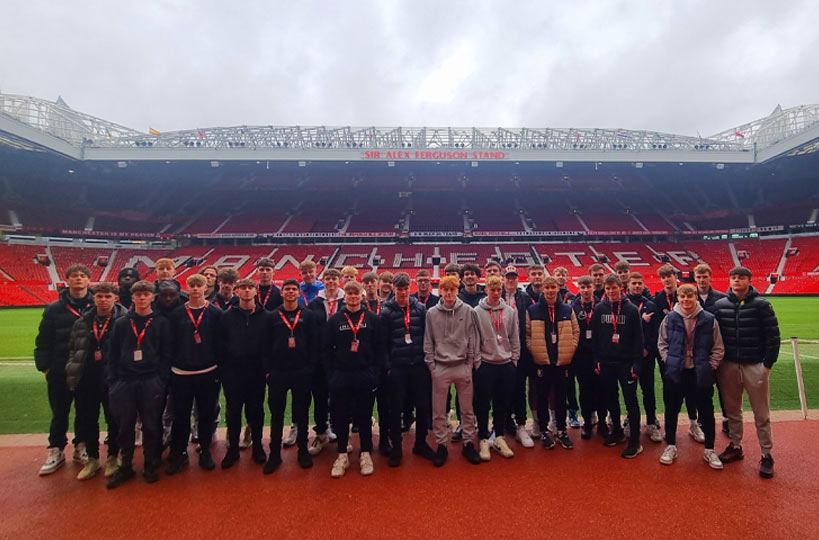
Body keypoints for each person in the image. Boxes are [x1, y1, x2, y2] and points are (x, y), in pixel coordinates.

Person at [713, 267, 780, 478]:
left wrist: (766, 366)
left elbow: (773, 336)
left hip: (754, 365)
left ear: (749, 281)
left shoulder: (762, 305)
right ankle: (735, 445)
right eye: (734, 277)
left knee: (761, 413)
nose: (736, 281)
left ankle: (767, 454)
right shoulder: (720, 305)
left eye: (741, 278)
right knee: (732, 410)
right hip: (729, 365)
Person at [105, 280, 172, 488]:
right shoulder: (122, 323)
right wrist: (114, 380)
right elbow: (112, 354)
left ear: (153, 297)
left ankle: (151, 463)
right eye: (138, 295)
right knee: (125, 426)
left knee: (152, 425)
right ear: (132, 298)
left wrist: (160, 379)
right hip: (125, 381)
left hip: (150, 380)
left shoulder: (161, 323)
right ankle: (125, 466)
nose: (142, 298)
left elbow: (166, 354)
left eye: (146, 294)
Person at [657, 284, 725, 470]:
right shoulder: (670, 318)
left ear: (696, 297)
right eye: (682, 296)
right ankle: (671, 445)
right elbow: (662, 343)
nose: (686, 300)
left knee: (706, 412)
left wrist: (710, 366)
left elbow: (718, 347)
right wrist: (668, 360)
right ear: (678, 298)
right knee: (671, 410)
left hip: (699, 372)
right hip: (676, 372)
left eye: (689, 296)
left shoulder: (709, 319)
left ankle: (709, 449)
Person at [35, 264, 94, 476]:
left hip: (88, 370)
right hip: (60, 369)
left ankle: (81, 446)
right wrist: (45, 368)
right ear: (67, 280)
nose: (78, 279)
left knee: (85, 411)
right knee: (59, 412)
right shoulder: (53, 309)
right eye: (74, 275)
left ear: (89, 280)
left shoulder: (97, 305)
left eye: (82, 275)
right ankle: (56, 450)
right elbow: (43, 340)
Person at [66, 282, 128, 480]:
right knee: (87, 419)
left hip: (113, 378)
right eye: (99, 296)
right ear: (94, 298)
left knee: (114, 419)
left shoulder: (125, 320)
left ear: (115, 298)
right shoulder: (83, 322)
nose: (103, 300)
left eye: (107, 296)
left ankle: (112, 456)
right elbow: (74, 348)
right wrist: (72, 370)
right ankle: (92, 458)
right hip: (87, 378)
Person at [325, 281, 386, 478]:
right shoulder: (335, 320)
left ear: (362, 296)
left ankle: (366, 453)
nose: (353, 296)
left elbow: (380, 349)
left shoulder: (373, 319)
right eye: (349, 293)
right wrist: (332, 375)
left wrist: (374, 374)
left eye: (356, 293)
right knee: (341, 416)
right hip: (341, 374)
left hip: (364, 373)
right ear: (345, 296)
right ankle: (342, 453)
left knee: (364, 415)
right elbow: (326, 350)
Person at [166, 274, 223, 474]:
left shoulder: (216, 313)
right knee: (180, 416)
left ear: (207, 287)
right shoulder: (176, 314)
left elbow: (220, 344)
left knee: (206, 415)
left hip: (208, 372)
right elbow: (170, 343)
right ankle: (179, 452)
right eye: (192, 285)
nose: (196, 289)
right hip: (181, 373)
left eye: (200, 285)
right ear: (187, 288)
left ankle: (205, 450)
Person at [424, 275, 482, 467]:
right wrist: (432, 366)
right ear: (440, 290)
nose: (449, 293)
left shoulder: (468, 311)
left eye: (452, 290)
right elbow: (428, 341)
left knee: (467, 409)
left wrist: (470, 362)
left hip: (462, 366)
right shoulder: (431, 313)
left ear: (458, 290)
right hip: (440, 367)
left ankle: (468, 443)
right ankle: (441, 445)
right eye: (445, 290)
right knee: (439, 411)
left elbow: (472, 337)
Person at [380, 272, 435, 466]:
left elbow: (428, 337)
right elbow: (383, 343)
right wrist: (388, 367)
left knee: (422, 407)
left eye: (405, 289)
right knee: (395, 409)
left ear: (409, 288)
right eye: (399, 289)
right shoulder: (386, 311)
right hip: (397, 368)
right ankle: (396, 446)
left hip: (419, 366)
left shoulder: (420, 309)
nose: (403, 293)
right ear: (394, 289)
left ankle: (420, 443)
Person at [265, 279, 321, 473]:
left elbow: (315, 344)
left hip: (301, 372)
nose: (290, 292)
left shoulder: (309, 316)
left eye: (293, 290)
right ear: (282, 293)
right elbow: (264, 346)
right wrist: (268, 370)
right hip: (278, 372)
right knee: (277, 414)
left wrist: (310, 367)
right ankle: (274, 454)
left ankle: (303, 451)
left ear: (298, 293)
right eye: (287, 289)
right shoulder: (272, 316)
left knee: (302, 413)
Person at [592, 274, 644, 458]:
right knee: (610, 399)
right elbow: (596, 337)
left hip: (626, 363)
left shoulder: (631, 310)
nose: (611, 291)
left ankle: (635, 442)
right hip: (606, 362)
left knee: (631, 401)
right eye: (608, 289)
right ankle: (617, 432)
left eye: (614, 288)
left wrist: (637, 364)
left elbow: (639, 339)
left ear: (621, 288)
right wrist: (596, 359)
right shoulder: (599, 309)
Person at [219, 279, 269, 469]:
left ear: (256, 292)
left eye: (250, 288)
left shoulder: (266, 316)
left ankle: (257, 446)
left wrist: (266, 369)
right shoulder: (226, 317)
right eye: (243, 288)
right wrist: (224, 369)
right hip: (233, 373)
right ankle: (232, 450)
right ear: (237, 291)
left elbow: (269, 345)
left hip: (256, 373)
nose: (247, 291)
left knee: (256, 411)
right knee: (233, 412)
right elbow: (220, 344)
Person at [526, 276, 580, 450]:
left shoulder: (567, 309)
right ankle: (543, 430)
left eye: (553, 287)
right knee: (542, 397)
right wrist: (535, 351)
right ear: (543, 288)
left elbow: (575, 332)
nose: (550, 290)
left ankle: (562, 429)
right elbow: (527, 335)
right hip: (542, 361)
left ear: (558, 288)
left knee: (560, 397)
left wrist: (569, 351)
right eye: (547, 287)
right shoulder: (533, 310)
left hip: (561, 361)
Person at [655, 264, 703, 443]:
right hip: (670, 357)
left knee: (692, 392)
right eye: (664, 276)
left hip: (691, 357)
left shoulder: (686, 294)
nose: (667, 279)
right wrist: (665, 357)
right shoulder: (657, 299)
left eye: (670, 275)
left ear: (676, 276)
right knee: (670, 393)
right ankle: (670, 429)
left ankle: (693, 424)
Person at [473, 276, 520, 460]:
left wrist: (514, 359)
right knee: (483, 403)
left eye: (498, 290)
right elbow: (474, 339)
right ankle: (484, 438)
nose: (495, 293)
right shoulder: (476, 311)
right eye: (492, 290)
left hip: (506, 364)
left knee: (502, 403)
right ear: (486, 290)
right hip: (486, 364)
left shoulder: (509, 311)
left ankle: (498, 436)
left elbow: (515, 337)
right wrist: (478, 361)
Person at [306, 268, 346, 456]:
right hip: (320, 358)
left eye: (334, 279)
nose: (331, 282)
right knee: (320, 396)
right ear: (324, 281)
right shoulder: (315, 304)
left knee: (339, 398)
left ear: (339, 281)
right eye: (328, 279)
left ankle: (340, 433)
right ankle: (321, 432)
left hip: (342, 358)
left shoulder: (347, 301)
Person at [625, 272, 662, 443]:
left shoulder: (651, 305)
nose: (637, 286)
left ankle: (651, 423)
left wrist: (648, 348)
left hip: (646, 355)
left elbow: (655, 331)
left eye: (640, 283)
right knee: (629, 391)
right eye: (634, 283)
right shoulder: (622, 304)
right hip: (628, 356)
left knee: (648, 391)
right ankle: (630, 421)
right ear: (629, 284)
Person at [570, 276, 608, 440]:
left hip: (599, 355)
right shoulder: (572, 307)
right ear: (578, 288)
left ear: (593, 287)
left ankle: (602, 422)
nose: (585, 290)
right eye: (582, 287)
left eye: (588, 286)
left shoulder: (601, 306)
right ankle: (586, 422)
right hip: (581, 357)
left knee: (601, 390)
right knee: (584, 391)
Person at [694, 263, 729, 434]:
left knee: (723, 387)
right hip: (698, 353)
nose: (701, 280)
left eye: (704, 277)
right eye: (699, 277)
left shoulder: (722, 299)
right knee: (701, 388)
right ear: (695, 278)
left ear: (710, 277)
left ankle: (727, 418)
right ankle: (702, 420)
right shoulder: (689, 297)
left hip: (717, 350)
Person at [502, 266, 535, 448]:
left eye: (513, 278)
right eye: (508, 278)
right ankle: (504, 423)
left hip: (520, 350)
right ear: (503, 279)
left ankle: (521, 424)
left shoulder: (524, 298)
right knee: (501, 389)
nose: (511, 281)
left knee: (519, 389)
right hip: (499, 350)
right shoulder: (495, 296)